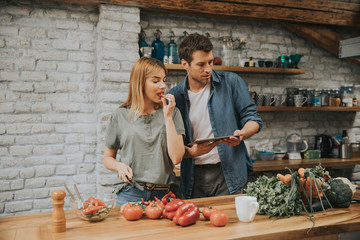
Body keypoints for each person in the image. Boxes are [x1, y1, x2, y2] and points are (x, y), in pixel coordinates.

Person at [169, 33, 263, 199]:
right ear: (185, 64)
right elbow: (171, 144)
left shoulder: (231, 82)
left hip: (229, 173)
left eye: (211, 62)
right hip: (192, 176)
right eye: (201, 64)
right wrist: (191, 152)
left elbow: (253, 119)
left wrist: (242, 135)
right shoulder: (175, 97)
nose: (208, 69)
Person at [104, 57, 185, 205]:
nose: (163, 86)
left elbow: (177, 157)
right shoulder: (119, 115)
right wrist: (119, 166)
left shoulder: (173, 113)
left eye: (163, 80)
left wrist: (168, 118)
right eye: (156, 81)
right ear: (140, 83)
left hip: (165, 195)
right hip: (130, 193)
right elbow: (108, 158)